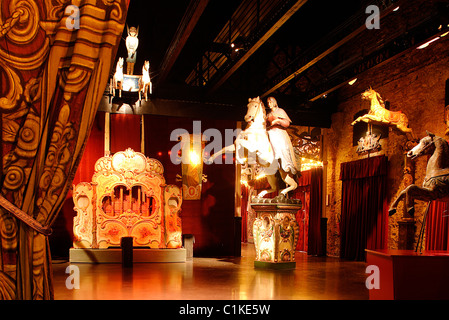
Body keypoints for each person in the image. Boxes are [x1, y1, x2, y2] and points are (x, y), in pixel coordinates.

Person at [266, 96, 300, 176]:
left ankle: (287, 164)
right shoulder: (269, 114)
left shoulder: (280, 111)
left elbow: (287, 123)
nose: (269, 104)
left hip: (279, 132)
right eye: (268, 103)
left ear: (274, 102)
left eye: (270, 102)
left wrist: (278, 120)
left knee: (283, 148)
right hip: (271, 133)